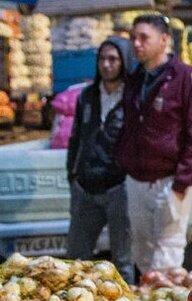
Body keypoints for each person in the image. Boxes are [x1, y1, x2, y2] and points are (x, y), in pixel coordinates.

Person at [117, 14, 192, 273]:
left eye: (144, 37)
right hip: (136, 180)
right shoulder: (134, 80)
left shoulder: (185, 77)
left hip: (169, 181)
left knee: (167, 258)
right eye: (134, 38)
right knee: (142, 255)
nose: (136, 44)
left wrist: (181, 184)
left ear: (164, 40)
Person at [65, 37, 134, 283]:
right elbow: (75, 139)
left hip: (119, 190)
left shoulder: (133, 98)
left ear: (124, 61)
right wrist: (72, 176)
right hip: (85, 189)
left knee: (123, 262)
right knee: (75, 260)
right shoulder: (87, 96)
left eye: (113, 59)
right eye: (102, 59)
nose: (106, 64)